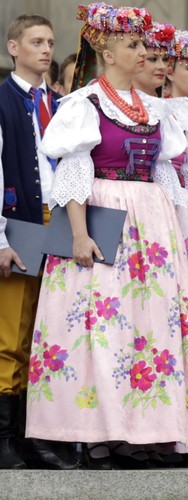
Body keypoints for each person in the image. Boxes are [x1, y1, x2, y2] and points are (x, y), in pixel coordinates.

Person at [27, 2, 188, 466]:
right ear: (107, 53)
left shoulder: (156, 108)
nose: (144, 54)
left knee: (147, 324)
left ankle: (143, 430)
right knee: (104, 326)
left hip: (150, 223)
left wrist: (181, 231)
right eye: (133, 46)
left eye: (143, 46)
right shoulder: (85, 103)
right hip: (105, 213)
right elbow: (73, 171)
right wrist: (77, 235)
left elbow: (166, 175)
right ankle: (96, 433)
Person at [0, 13, 78, 471]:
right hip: (20, 223)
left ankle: (36, 435)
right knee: (11, 332)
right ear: (14, 48)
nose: (46, 49)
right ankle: (6, 438)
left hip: (59, 224)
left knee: (47, 333)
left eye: (50, 41)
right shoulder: (3, 99)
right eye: (35, 41)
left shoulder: (63, 102)